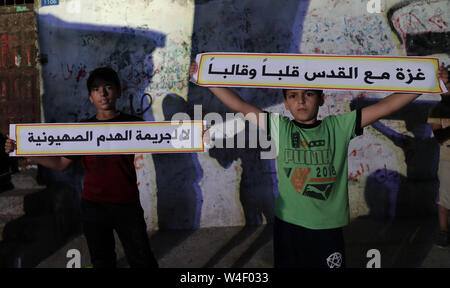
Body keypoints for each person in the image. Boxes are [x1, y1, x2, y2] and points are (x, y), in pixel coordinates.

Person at [190, 61, 446, 268]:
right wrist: (205, 77)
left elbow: (386, 105)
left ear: (321, 99)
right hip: (289, 225)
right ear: (287, 103)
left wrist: (428, 81)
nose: (301, 101)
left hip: (327, 227)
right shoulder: (279, 127)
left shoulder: (340, 126)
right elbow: (239, 105)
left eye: (308, 94)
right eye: (293, 96)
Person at [5, 67, 158, 268]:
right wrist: (22, 150)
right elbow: (60, 164)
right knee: (102, 261)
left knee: (142, 260)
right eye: (96, 89)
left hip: (127, 204)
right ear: (90, 97)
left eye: (107, 87)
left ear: (118, 91)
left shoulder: (133, 124)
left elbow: (168, 139)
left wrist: (197, 136)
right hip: (93, 206)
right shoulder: (83, 131)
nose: (102, 94)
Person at [428, 65, 450, 248]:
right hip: (448, 158)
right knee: (444, 196)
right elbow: (439, 136)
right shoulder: (437, 110)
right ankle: (443, 231)